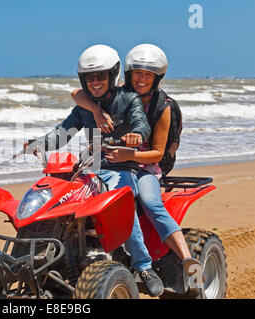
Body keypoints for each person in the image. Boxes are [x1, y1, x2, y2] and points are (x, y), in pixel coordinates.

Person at [25, 44, 164, 297]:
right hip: (91, 167)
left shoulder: (128, 99)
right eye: (90, 77)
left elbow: (141, 123)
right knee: (58, 196)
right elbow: (62, 132)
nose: (96, 82)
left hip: (121, 168)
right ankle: (57, 257)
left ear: (113, 75)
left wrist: (136, 135)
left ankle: (144, 266)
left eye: (101, 76)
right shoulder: (84, 108)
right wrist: (37, 144)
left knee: (123, 202)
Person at [71, 44, 202, 279]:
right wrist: (96, 111)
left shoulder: (164, 107)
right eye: (138, 73)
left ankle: (187, 259)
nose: (142, 79)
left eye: (148, 75)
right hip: (111, 163)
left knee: (150, 202)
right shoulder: (117, 93)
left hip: (144, 166)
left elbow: (158, 154)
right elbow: (76, 94)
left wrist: (129, 155)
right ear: (129, 74)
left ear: (157, 77)